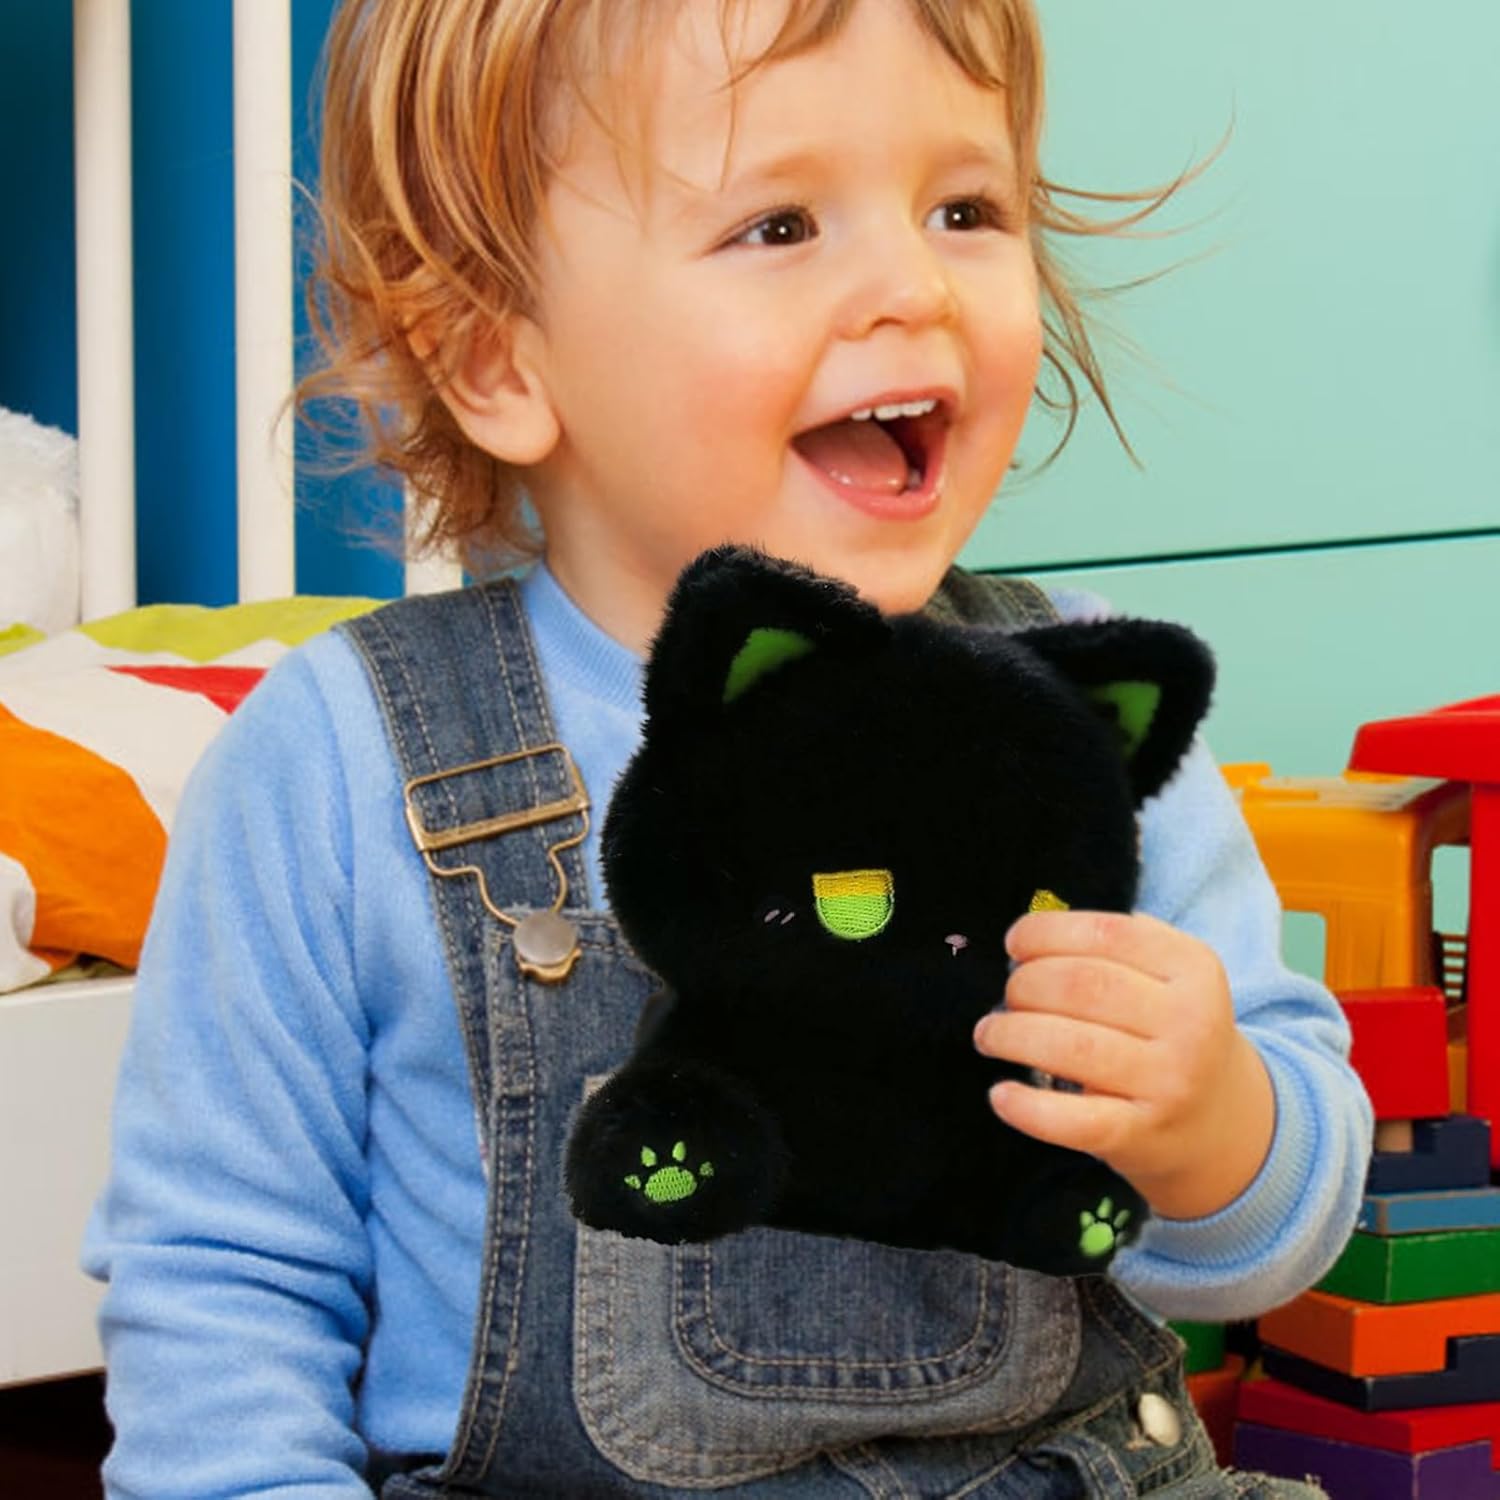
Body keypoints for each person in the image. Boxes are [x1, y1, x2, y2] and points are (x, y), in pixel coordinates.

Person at [83, 1, 1372, 1494]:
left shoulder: (1073, 715)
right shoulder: (342, 760)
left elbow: (1277, 1232)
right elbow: (225, 1293)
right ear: (497, 357)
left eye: (965, 209)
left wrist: (1211, 1122)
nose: (913, 287)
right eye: (779, 225)